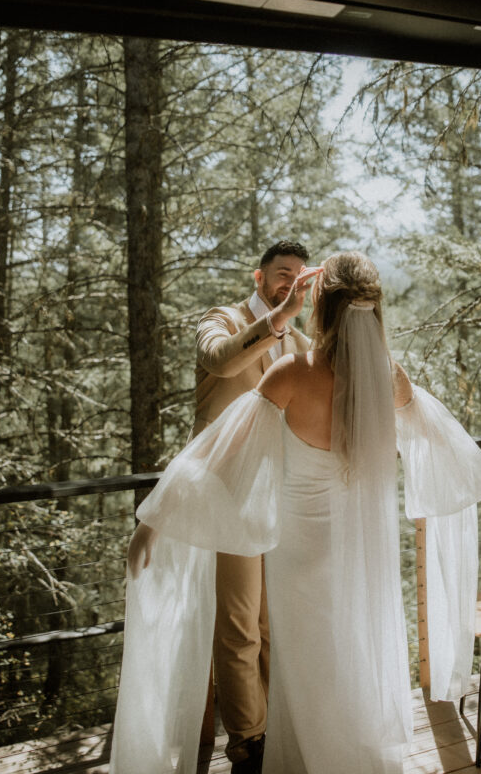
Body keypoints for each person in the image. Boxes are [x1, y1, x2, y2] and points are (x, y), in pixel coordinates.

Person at [110, 252, 481, 774]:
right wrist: (420, 494)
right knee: (351, 655)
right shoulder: (389, 377)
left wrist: (153, 519)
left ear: (321, 309)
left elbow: (219, 448)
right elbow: (455, 453)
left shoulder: (295, 372)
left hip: (300, 554)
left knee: (304, 665)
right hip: (364, 555)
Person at [193, 239, 311, 772]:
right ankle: (246, 745)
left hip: (279, 492)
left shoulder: (299, 340)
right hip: (228, 491)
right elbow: (219, 362)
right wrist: (278, 320)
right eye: (283, 273)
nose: (291, 283)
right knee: (239, 623)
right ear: (259, 278)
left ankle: (274, 729)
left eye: (299, 276)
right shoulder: (223, 319)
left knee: (272, 623)